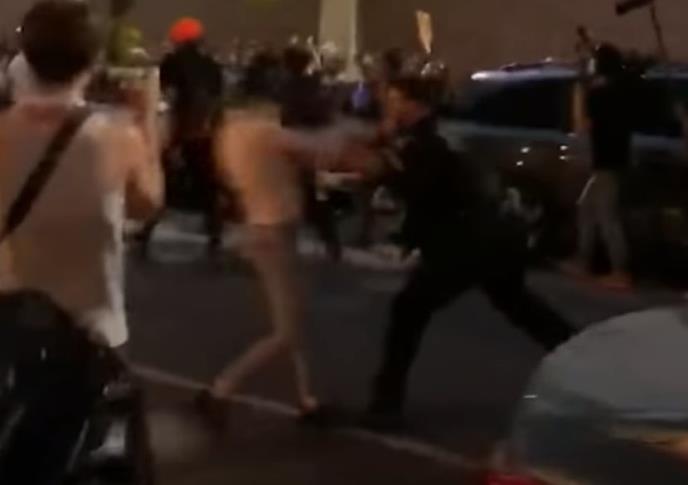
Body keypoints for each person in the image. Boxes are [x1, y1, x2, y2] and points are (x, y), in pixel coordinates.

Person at [363, 77, 574, 428]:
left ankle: (385, 404)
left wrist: (381, 168)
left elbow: (418, 188)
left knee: (409, 310)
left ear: (417, 104)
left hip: (465, 242)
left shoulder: (428, 140)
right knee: (522, 308)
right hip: (488, 238)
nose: (390, 107)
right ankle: (588, 359)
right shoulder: (431, 135)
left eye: (397, 100)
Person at [197, 60, 371, 424]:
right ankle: (222, 389)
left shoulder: (230, 130)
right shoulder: (262, 132)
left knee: (293, 318)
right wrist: (346, 128)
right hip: (272, 230)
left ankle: (308, 399)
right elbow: (322, 149)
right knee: (285, 330)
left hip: (264, 226)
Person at [0, 0, 163, 350]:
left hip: (8, 322)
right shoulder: (117, 138)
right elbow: (146, 205)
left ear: (26, 55)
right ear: (94, 61)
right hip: (90, 332)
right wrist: (146, 118)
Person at [136, 17, 223, 257]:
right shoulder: (212, 65)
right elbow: (216, 100)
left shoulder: (172, 62)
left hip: (181, 127)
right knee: (207, 181)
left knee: (162, 178)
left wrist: (168, 132)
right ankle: (215, 230)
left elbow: (169, 96)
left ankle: (148, 228)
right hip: (205, 130)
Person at [563, 44, 634, 290]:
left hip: (606, 163)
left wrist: (578, 94)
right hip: (614, 161)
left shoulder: (600, 94)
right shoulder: (620, 90)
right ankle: (582, 260)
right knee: (586, 208)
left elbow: (581, 126)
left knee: (607, 217)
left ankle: (620, 272)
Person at [280, 45, 342, 261]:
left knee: (298, 193)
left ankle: (293, 241)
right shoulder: (312, 86)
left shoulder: (289, 87)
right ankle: (328, 238)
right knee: (308, 193)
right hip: (307, 144)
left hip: (294, 145)